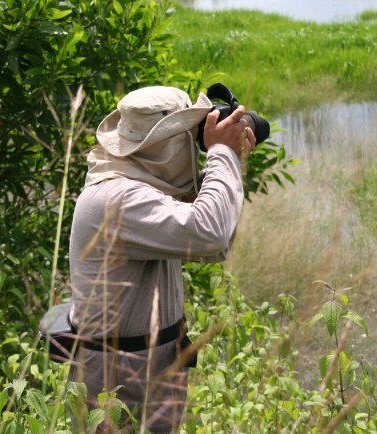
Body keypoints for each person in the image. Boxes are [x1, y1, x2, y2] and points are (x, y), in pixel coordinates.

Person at [68, 85, 255, 432]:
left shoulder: (138, 185)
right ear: (162, 147)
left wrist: (225, 157)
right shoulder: (115, 197)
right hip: (117, 380)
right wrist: (221, 154)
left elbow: (215, 244)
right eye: (184, 137)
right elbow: (210, 231)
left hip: (149, 366)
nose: (190, 145)